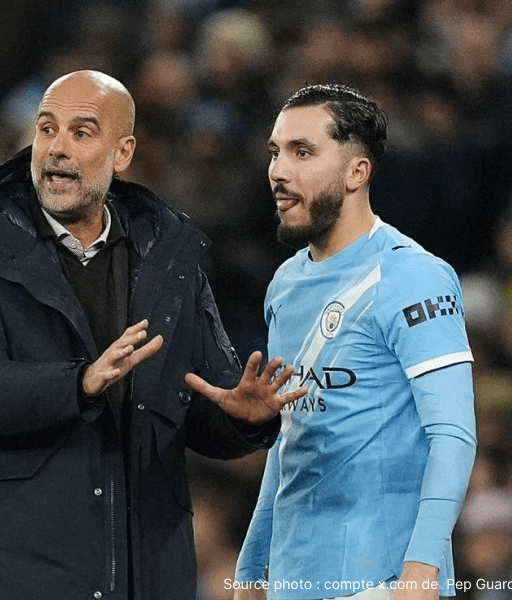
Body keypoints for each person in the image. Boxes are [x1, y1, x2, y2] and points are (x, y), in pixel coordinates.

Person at [0, 69, 306, 600]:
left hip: (141, 572)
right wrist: (80, 382)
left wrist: (243, 418)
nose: (56, 148)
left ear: (123, 153)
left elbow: (198, 402)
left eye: (81, 132)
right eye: (47, 129)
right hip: (7, 571)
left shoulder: (171, 259)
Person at [188, 84, 477, 600]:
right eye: (275, 152)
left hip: (382, 580)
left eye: (302, 152)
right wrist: (252, 566)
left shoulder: (413, 277)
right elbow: (290, 439)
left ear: (356, 172)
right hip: (293, 580)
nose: (278, 171)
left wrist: (422, 567)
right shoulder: (285, 284)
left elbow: (453, 435)